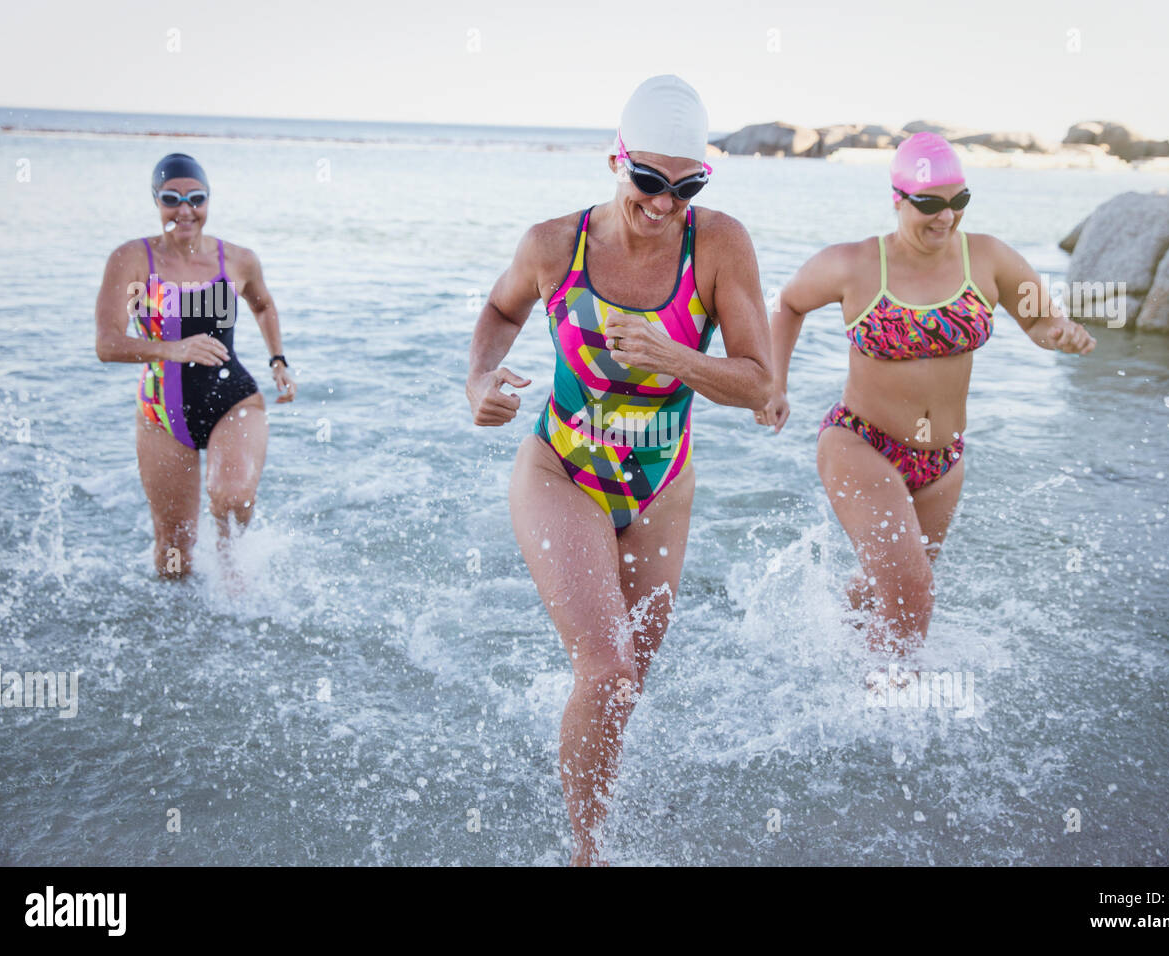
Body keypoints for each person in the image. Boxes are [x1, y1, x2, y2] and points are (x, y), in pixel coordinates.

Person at [466, 76, 772, 865]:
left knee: (628, 675)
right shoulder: (552, 246)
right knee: (605, 669)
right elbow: (501, 312)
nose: (664, 203)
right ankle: (587, 851)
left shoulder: (720, 245)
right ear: (616, 159)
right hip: (563, 468)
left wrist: (675, 355)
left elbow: (759, 382)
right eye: (647, 181)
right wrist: (479, 381)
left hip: (662, 485)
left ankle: (589, 772)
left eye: (687, 185)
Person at [756, 132, 1095, 654]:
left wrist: (1063, 333)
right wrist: (775, 383)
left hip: (943, 461)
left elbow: (1041, 322)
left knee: (887, 589)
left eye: (958, 201)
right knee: (912, 594)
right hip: (861, 444)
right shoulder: (854, 264)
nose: (946, 217)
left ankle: (827, 664)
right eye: (930, 204)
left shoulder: (989, 258)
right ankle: (891, 721)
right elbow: (787, 304)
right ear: (898, 198)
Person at [95, 153, 297, 579]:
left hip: (233, 399)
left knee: (234, 496)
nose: (184, 210)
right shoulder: (132, 259)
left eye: (196, 198)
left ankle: (232, 570)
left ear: (208, 201)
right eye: (171, 198)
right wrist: (173, 349)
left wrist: (277, 359)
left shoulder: (238, 260)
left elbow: (262, 305)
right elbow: (107, 344)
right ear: (156, 200)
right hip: (160, 415)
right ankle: (176, 631)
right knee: (175, 546)